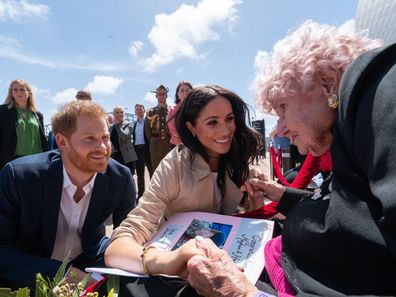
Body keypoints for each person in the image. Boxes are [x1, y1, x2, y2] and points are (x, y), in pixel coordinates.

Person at [186, 21, 394, 296]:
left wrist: (242, 294)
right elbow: (353, 210)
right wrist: (282, 194)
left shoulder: (381, 91)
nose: (280, 128)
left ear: (327, 82)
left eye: (283, 108)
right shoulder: (351, 125)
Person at [105, 85, 258, 296]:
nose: (225, 130)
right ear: (191, 127)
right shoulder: (174, 166)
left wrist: (256, 196)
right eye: (212, 122)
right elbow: (117, 247)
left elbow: (248, 213)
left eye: (229, 119)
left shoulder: (237, 160)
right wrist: (169, 261)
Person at [0, 100, 136, 290]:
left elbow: (127, 238)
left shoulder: (120, 178)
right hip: (31, 270)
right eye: (89, 138)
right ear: (62, 141)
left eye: (105, 137)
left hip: (89, 263)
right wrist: (61, 274)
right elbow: (2, 250)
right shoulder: (19, 177)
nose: (102, 147)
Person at [0, 79, 48, 169]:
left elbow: (42, 139)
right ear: (11, 93)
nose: (19, 92)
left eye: (22, 89)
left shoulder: (38, 115)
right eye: (15, 89)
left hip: (36, 160)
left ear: (29, 93)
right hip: (11, 160)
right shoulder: (3, 111)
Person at [145, 84, 173, 171]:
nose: (161, 96)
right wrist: (155, 140)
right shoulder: (150, 112)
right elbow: (147, 131)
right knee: (157, 170)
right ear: (156, 96)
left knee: (170, 170)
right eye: (159, 94)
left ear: (166, 95)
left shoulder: (172, 111)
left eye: (163, 94)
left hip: (169, 144)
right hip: (155, 145)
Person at [109, 106, 138, 176]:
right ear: (114, 115)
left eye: (121, 112)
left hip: (127, 156)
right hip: (115, 156)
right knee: (117, 178)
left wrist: (117, 125)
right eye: (117, 113)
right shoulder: (111, 127)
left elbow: (124, 136)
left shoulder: (129, 124)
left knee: (129, 178)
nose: (120, 114)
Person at [133, 104, 153, 199]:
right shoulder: (134, 124)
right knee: (140, 174)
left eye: (140, 109)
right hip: (137, 150)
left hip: (147, 149)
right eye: (137, 109)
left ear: (144, 110)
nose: (139, 111)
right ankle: (141, 194)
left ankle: (153, 194)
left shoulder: (148, 121)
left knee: (151, 172)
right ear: (135, 112)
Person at [167, 81, 193, 145]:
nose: (185, 93)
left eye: (187, 90)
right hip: (179, 145)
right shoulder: (172, 110)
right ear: (178, 94)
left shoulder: (198, 108)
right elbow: (173, 130)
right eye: (182, 91)